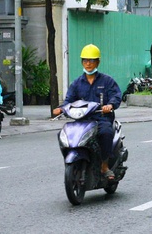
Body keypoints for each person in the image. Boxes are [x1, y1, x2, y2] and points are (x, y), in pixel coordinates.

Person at [52, 44, 122, 180]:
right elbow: (69, 100)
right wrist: (61, 108)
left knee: (106, 132)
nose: (88, 63)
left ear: (98, 62)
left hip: (101, 119)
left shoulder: (107, 81)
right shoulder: (77, 83)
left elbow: (116, 96)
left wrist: (110, 105)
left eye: (91, 60)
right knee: (63, 134)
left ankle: (104, 165)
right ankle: (73, 158)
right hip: (82, 120)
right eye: (85, 60)